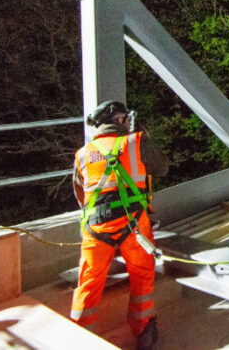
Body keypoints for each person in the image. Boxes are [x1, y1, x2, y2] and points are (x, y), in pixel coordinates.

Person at [70, 100, 168, 350]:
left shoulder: (83, 153)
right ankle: (144, 330)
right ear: (119, 120)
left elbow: (81, 194)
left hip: (95, 228)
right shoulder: (135, 143)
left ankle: (79, 337)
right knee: (142, 275)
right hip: (133, 225)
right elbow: (162, 167)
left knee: (89, 282)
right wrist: (145, 137)